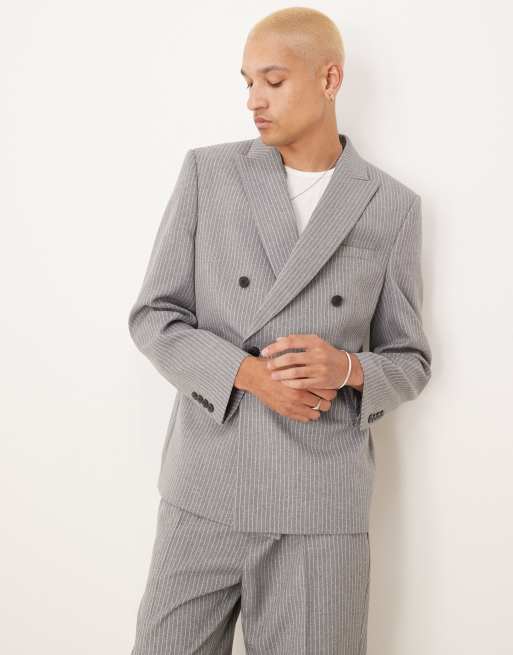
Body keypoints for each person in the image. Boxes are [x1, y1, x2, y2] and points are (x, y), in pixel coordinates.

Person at [128, 7, 432, 654]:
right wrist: (248, 375)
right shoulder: (209, 174)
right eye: (247, 83)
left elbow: (409, 358)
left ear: (329, 78)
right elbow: (154, 315)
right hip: (205, 486)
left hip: (319, 506)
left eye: (272, 81)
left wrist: (346, 368)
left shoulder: (390, 206)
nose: (253, 101)